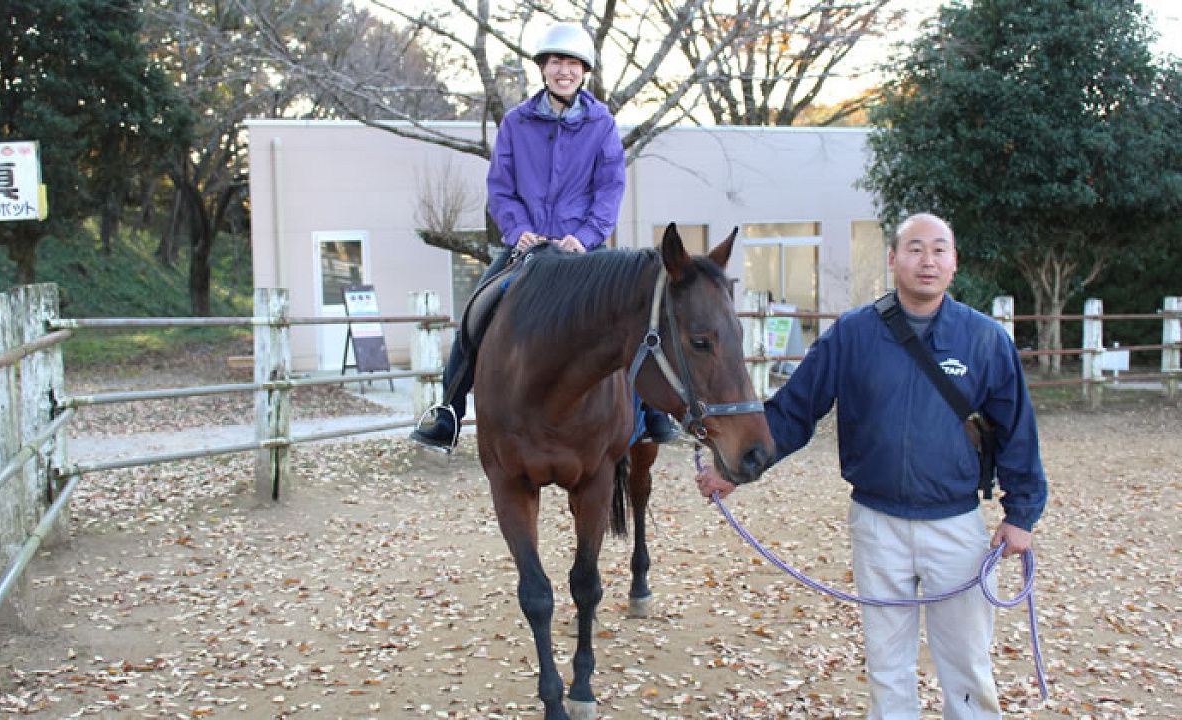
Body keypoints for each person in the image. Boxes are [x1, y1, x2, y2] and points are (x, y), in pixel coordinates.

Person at [696, 213, 1048, 719]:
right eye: (914, 248)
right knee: (887, 663)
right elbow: (795, 411)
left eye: (939, 249)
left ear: (954, 262)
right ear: (892, 259)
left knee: (967, 662)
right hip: (877, 523)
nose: (927, 260)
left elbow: (1017, 430)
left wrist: (1022, 515)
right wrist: (736, 470)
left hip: (955, 525)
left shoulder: (985, 340)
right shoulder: (853, 334)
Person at [410, 22, 679, 452]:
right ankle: (449, 413)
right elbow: (501, 188)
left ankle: (650, 415)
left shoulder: (602, 124)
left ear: (584, 71)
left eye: (572, 63)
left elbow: (610, 190)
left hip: (583, 249)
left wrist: (584, 236)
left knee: (634, 317)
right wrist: (519, 232)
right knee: (476, 313)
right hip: (527, 249)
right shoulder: (516, 123)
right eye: (556, 62)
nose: (564, 71)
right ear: (543, 68)